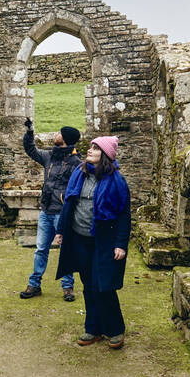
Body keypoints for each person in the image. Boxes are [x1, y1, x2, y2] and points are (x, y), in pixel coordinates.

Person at [55, 136, 131, 349]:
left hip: (104, 240)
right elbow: (69, 204)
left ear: (105, 155)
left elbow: (124, 215)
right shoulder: (79, 174)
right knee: (88, 286)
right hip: (80, 239)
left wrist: (121, 244)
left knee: (104, 286)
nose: (90, 150)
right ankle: (93, 328)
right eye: (91, 146)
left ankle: (115, 330)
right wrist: (61, 231)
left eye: (96, 148)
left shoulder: (116, 180)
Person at [20, 119, 82, 302]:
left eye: (59, 133)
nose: (56, 134)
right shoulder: (49, 156)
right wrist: (30, 132)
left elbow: (75, 192)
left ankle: (68, 287)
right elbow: (31, 150)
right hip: (46, 212)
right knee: (40, 249)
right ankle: (34, 284)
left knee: (66, 251)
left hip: (62, 214)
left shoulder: (76, 163)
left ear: (66, 139)